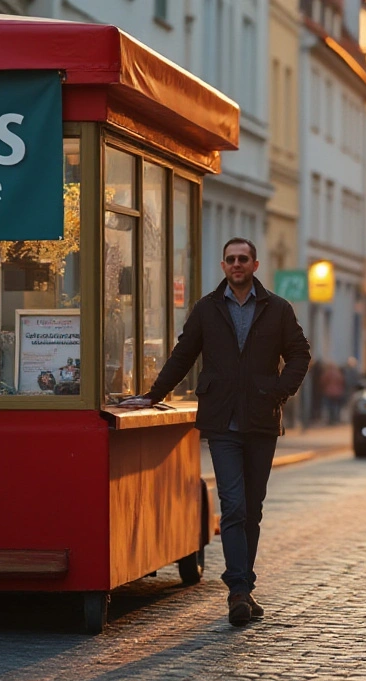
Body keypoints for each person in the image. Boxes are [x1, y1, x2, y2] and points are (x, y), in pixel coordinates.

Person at [118, 237, 311, 627]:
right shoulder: (207, 309)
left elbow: (300, 354)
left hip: (261, 420)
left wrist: (278, 391)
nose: (236, 265)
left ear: (255, 264)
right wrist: (153, 395)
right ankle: (238, 591)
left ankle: (246, 587)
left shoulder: (277, 309)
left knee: (252, 509)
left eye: (243, 259)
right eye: (230, 260)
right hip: (222, 422)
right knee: (234, 505)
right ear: (223, 266)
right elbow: (183, 354)